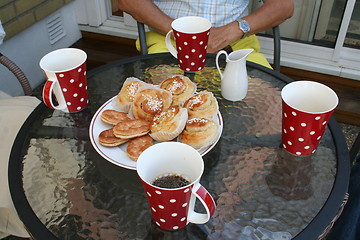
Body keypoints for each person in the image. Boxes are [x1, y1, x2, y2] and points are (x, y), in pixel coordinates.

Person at [118, 0, 294, 69]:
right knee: (165, 103)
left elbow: (283, 7)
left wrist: (230, 32)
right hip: (168, 38)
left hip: (235, 41)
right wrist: (183, 32)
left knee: (264, 106)